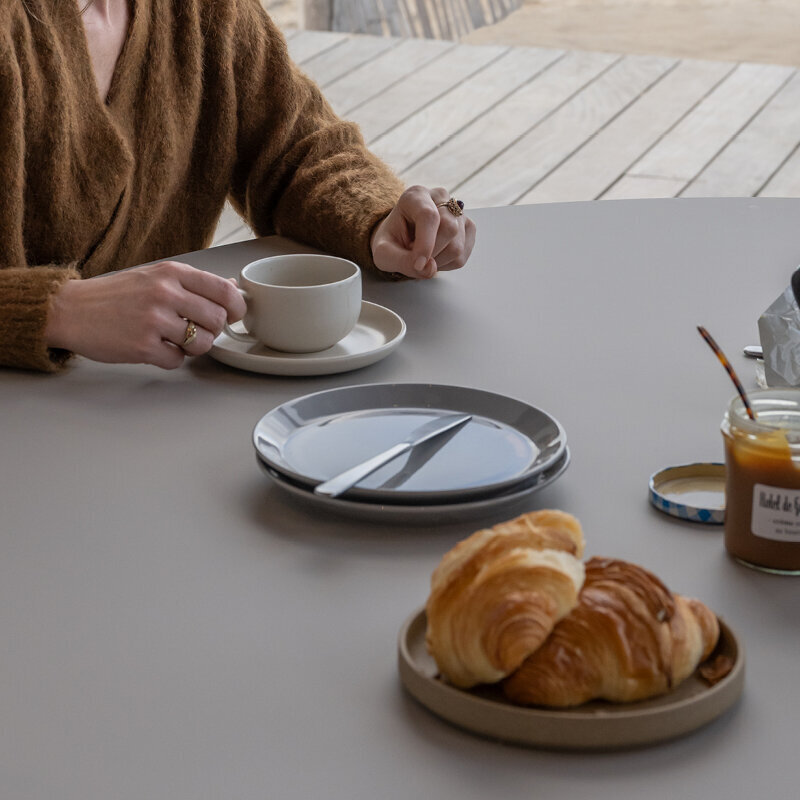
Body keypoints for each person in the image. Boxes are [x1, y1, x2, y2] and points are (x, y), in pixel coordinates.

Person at [1, 0, 476, 372]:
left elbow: (296, 150)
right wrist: (58, 312)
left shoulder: (207, 10)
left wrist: (380, 219)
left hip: (149, 402)